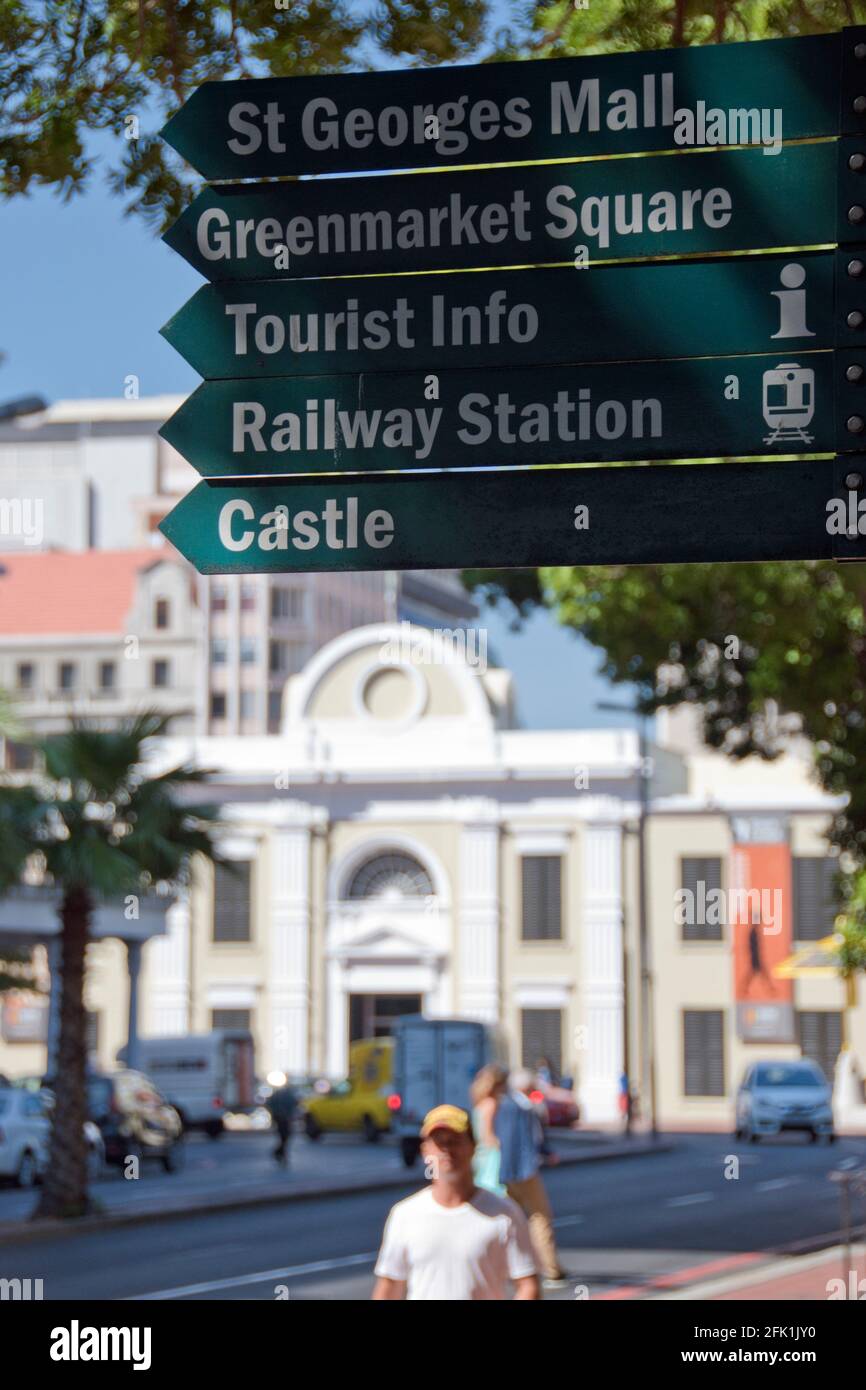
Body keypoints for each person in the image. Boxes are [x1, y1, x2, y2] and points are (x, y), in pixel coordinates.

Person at [372, 1104, 540, 1301]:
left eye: (455, 1141)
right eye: (439, 1142)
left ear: (472, 1146)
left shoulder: (505, 1213)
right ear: (425, 1150)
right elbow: (389, 1285)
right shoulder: (405, 1214)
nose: (447, 1150)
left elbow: (528, 1285)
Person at [495, 1068, 569, 1290]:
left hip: (513, 1172)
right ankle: (551, 1269)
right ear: (525, 1087)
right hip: (522, 1172)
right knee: (540, 1217)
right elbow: (519, 1141)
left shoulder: (514, 1105)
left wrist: (545, 1151)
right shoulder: (518, 1107)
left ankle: (509, 1267)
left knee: (512, 1220)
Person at [470, 1064, 508, 1195]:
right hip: (490, 1153)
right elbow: (488, 1134)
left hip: (481, 1150)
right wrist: (499, 1146)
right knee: (493, 1189)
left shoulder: (481, 1102)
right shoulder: (492, 1103)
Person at [265, 1076, 297, 1166]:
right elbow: (271, 1104)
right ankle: (280, 1153)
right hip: (281, 1118)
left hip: (284, 1118)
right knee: (284, 1136)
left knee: (285, 1136)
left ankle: (279, 1153)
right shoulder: (279, 1094)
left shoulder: (287, 1094)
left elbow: (294, 1104)